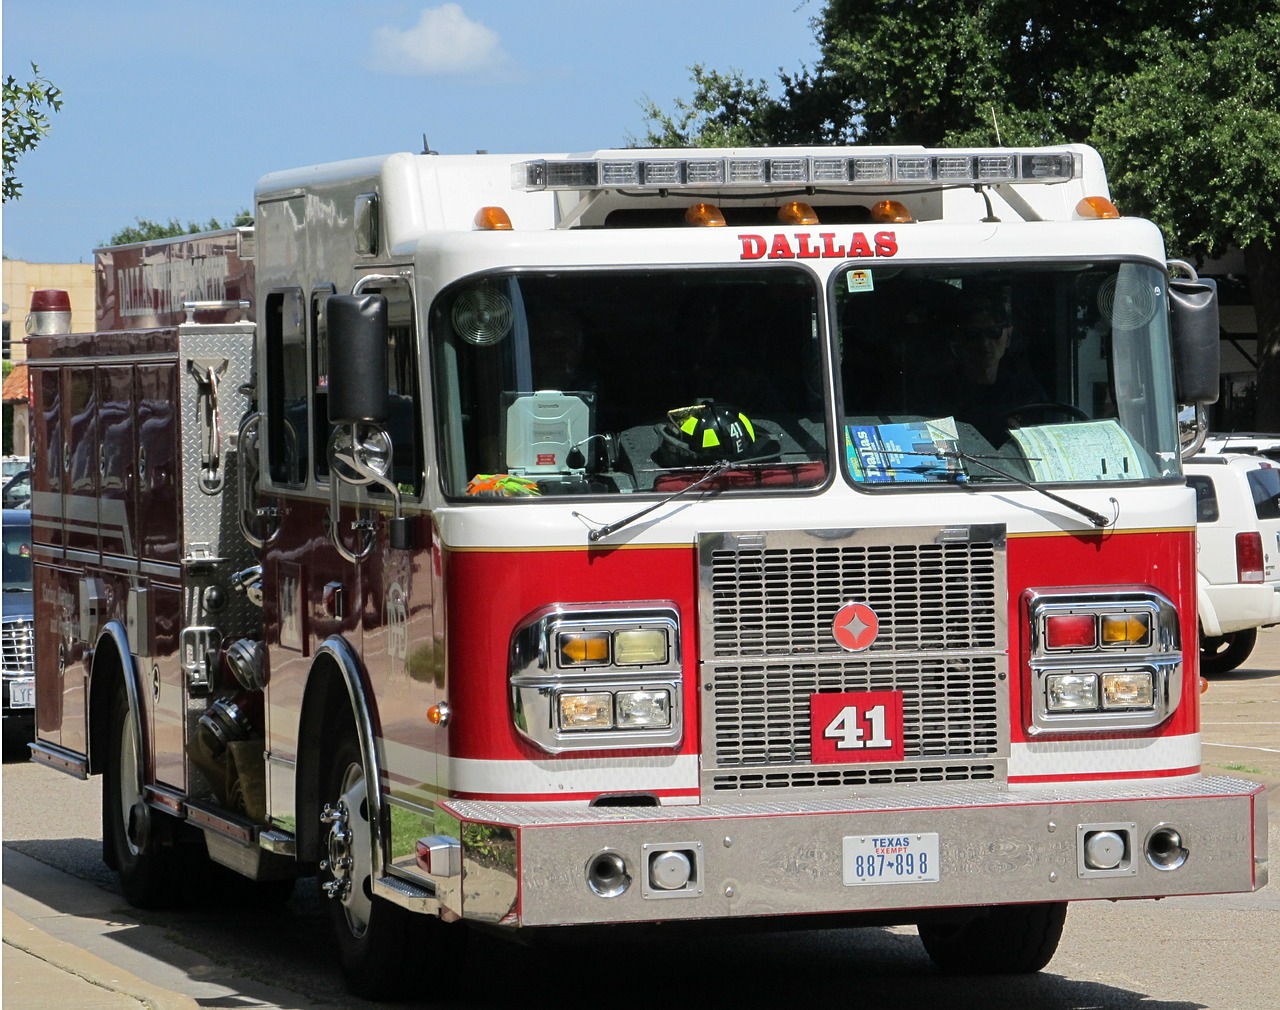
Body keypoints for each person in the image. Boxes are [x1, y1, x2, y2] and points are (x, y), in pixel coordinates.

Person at [942, 299, 1047, 443]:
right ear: (958, 339)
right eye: (973, 334)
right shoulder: (941, 393)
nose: (984, 342)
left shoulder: (1028, 394)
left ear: (1008, 336)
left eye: (993, 332)